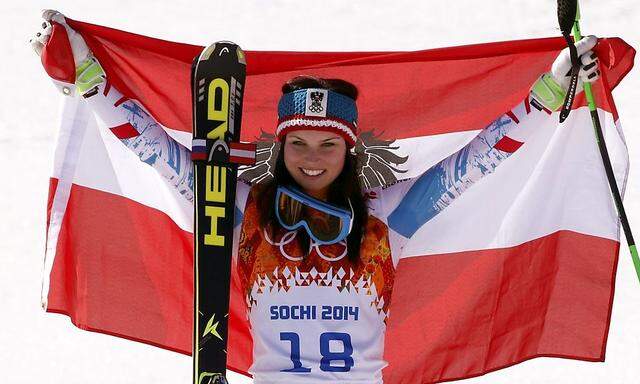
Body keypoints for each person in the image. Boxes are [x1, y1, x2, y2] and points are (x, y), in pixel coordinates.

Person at [32, 10, 601, 383]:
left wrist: (550, 93)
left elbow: (476, 163)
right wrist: (89, 80)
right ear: (278, 148)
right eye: (297, 142)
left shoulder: (382, 216)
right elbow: (158, 155)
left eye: (327, 144)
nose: (310, 156)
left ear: (350, 151)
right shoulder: (242, 210)